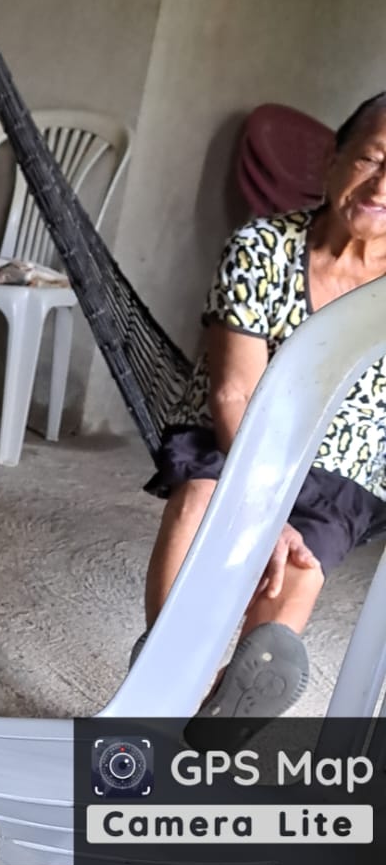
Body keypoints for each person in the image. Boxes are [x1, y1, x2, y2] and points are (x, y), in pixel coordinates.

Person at [142, 92, 386, 718]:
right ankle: (167, 682)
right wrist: (264, 511)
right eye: (371, 159)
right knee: (202, 503)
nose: (380, 186)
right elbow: (234, 392)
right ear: (333, 159)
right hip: (239, 437)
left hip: (341, 465)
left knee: (302, 559)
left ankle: (229, 706)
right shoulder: (262, 247)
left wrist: (285, 527)